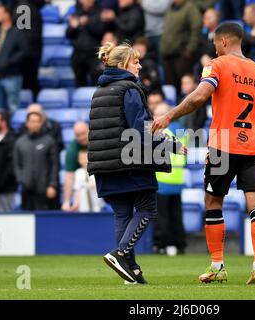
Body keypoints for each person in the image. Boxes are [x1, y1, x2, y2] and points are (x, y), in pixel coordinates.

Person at [152, 22, 255, 284]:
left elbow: (199, 97)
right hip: (254, 146)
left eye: (215, 45)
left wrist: (170, 115)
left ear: (222, 42)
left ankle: (218, 266)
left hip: (222, 146)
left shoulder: (217, 65)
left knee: (213, 202)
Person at [89, 42, 186, 284]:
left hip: (104, 164)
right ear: (123, 65)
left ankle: (130, 269)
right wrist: (170, 145)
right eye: (136, 62)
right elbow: (140, 129)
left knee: (122, 214)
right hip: (129, 162)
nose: (140, 65)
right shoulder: (130, 89)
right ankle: (121, 254)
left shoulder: (99, 91)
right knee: (147, 208)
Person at [152, 102, 187, 256]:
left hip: (162, 180)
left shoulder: (159, 133)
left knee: (162, 217)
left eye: (157, 114)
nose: (154, 117)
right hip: (177, 181)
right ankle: (179, 245)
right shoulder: (181, 132)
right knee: (176, 215)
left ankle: (162, 245)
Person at [13, 112, 59, 210]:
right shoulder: (20, 142)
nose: (35, 124)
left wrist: (52, 184)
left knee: (44, 221)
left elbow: (54, 165)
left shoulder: (49, 141)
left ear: (41, 123)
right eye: (32, 121)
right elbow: (17, 164)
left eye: (37, 121)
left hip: (44, 189)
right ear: (27, 123)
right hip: (26, 190)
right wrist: (21, 179)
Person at [0, 3, 27, 113]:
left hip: (12, 75)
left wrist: (9, 62)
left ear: (7, 15)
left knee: (13, 107)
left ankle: (13, 129)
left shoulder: (17, 32)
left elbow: (24, 52)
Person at [159, 0, 202, 93]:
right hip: (167, 54)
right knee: (170, 88)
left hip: (182, 55)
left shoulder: (190, 8)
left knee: (185, 87)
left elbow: (196, 29)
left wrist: (189, 50)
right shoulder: (171, 8)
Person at [66, 0, 106, 87]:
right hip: (78, 54)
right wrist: (73, 27)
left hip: (94, 55)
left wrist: (88, 22)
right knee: (79, 83)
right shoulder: (76, 14)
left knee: (97, 83)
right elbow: (68, 35)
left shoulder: (99, 13)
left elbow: (101, 31)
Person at [62, 121, 89, 211]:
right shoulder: (72, 149)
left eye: (83, 134)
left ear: (89, 130)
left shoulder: (98, 141)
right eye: (78, 135)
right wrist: (66, 201)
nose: (81, 137)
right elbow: (69, 177)